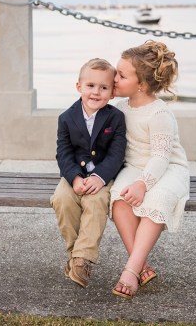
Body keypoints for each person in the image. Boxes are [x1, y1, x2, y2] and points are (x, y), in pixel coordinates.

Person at [109, 40, 190, 299]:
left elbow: (161, 156)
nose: (114, 78)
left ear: (141, 85)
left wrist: (143, 184)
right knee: (119, 199)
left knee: (158, 198)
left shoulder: (159, 114)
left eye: (121, 75)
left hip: (168, 168)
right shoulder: (119, 109)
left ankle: (131, 270)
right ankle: (142, 265)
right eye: (116, 72)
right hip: (135, 166)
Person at [51, 58, 127, 288]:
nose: (96, 92)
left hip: (103, 176)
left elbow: (116, 154)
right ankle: (76, 255)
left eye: (103, 87)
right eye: (90, 86)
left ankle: (81, 260)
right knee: (62, 199)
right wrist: (74, 178)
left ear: (112, 93)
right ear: (79, 87)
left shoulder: (116, 118)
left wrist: (100, 177)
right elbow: (63, 152)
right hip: (73, 174)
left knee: (96, 202)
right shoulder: (66, 118)